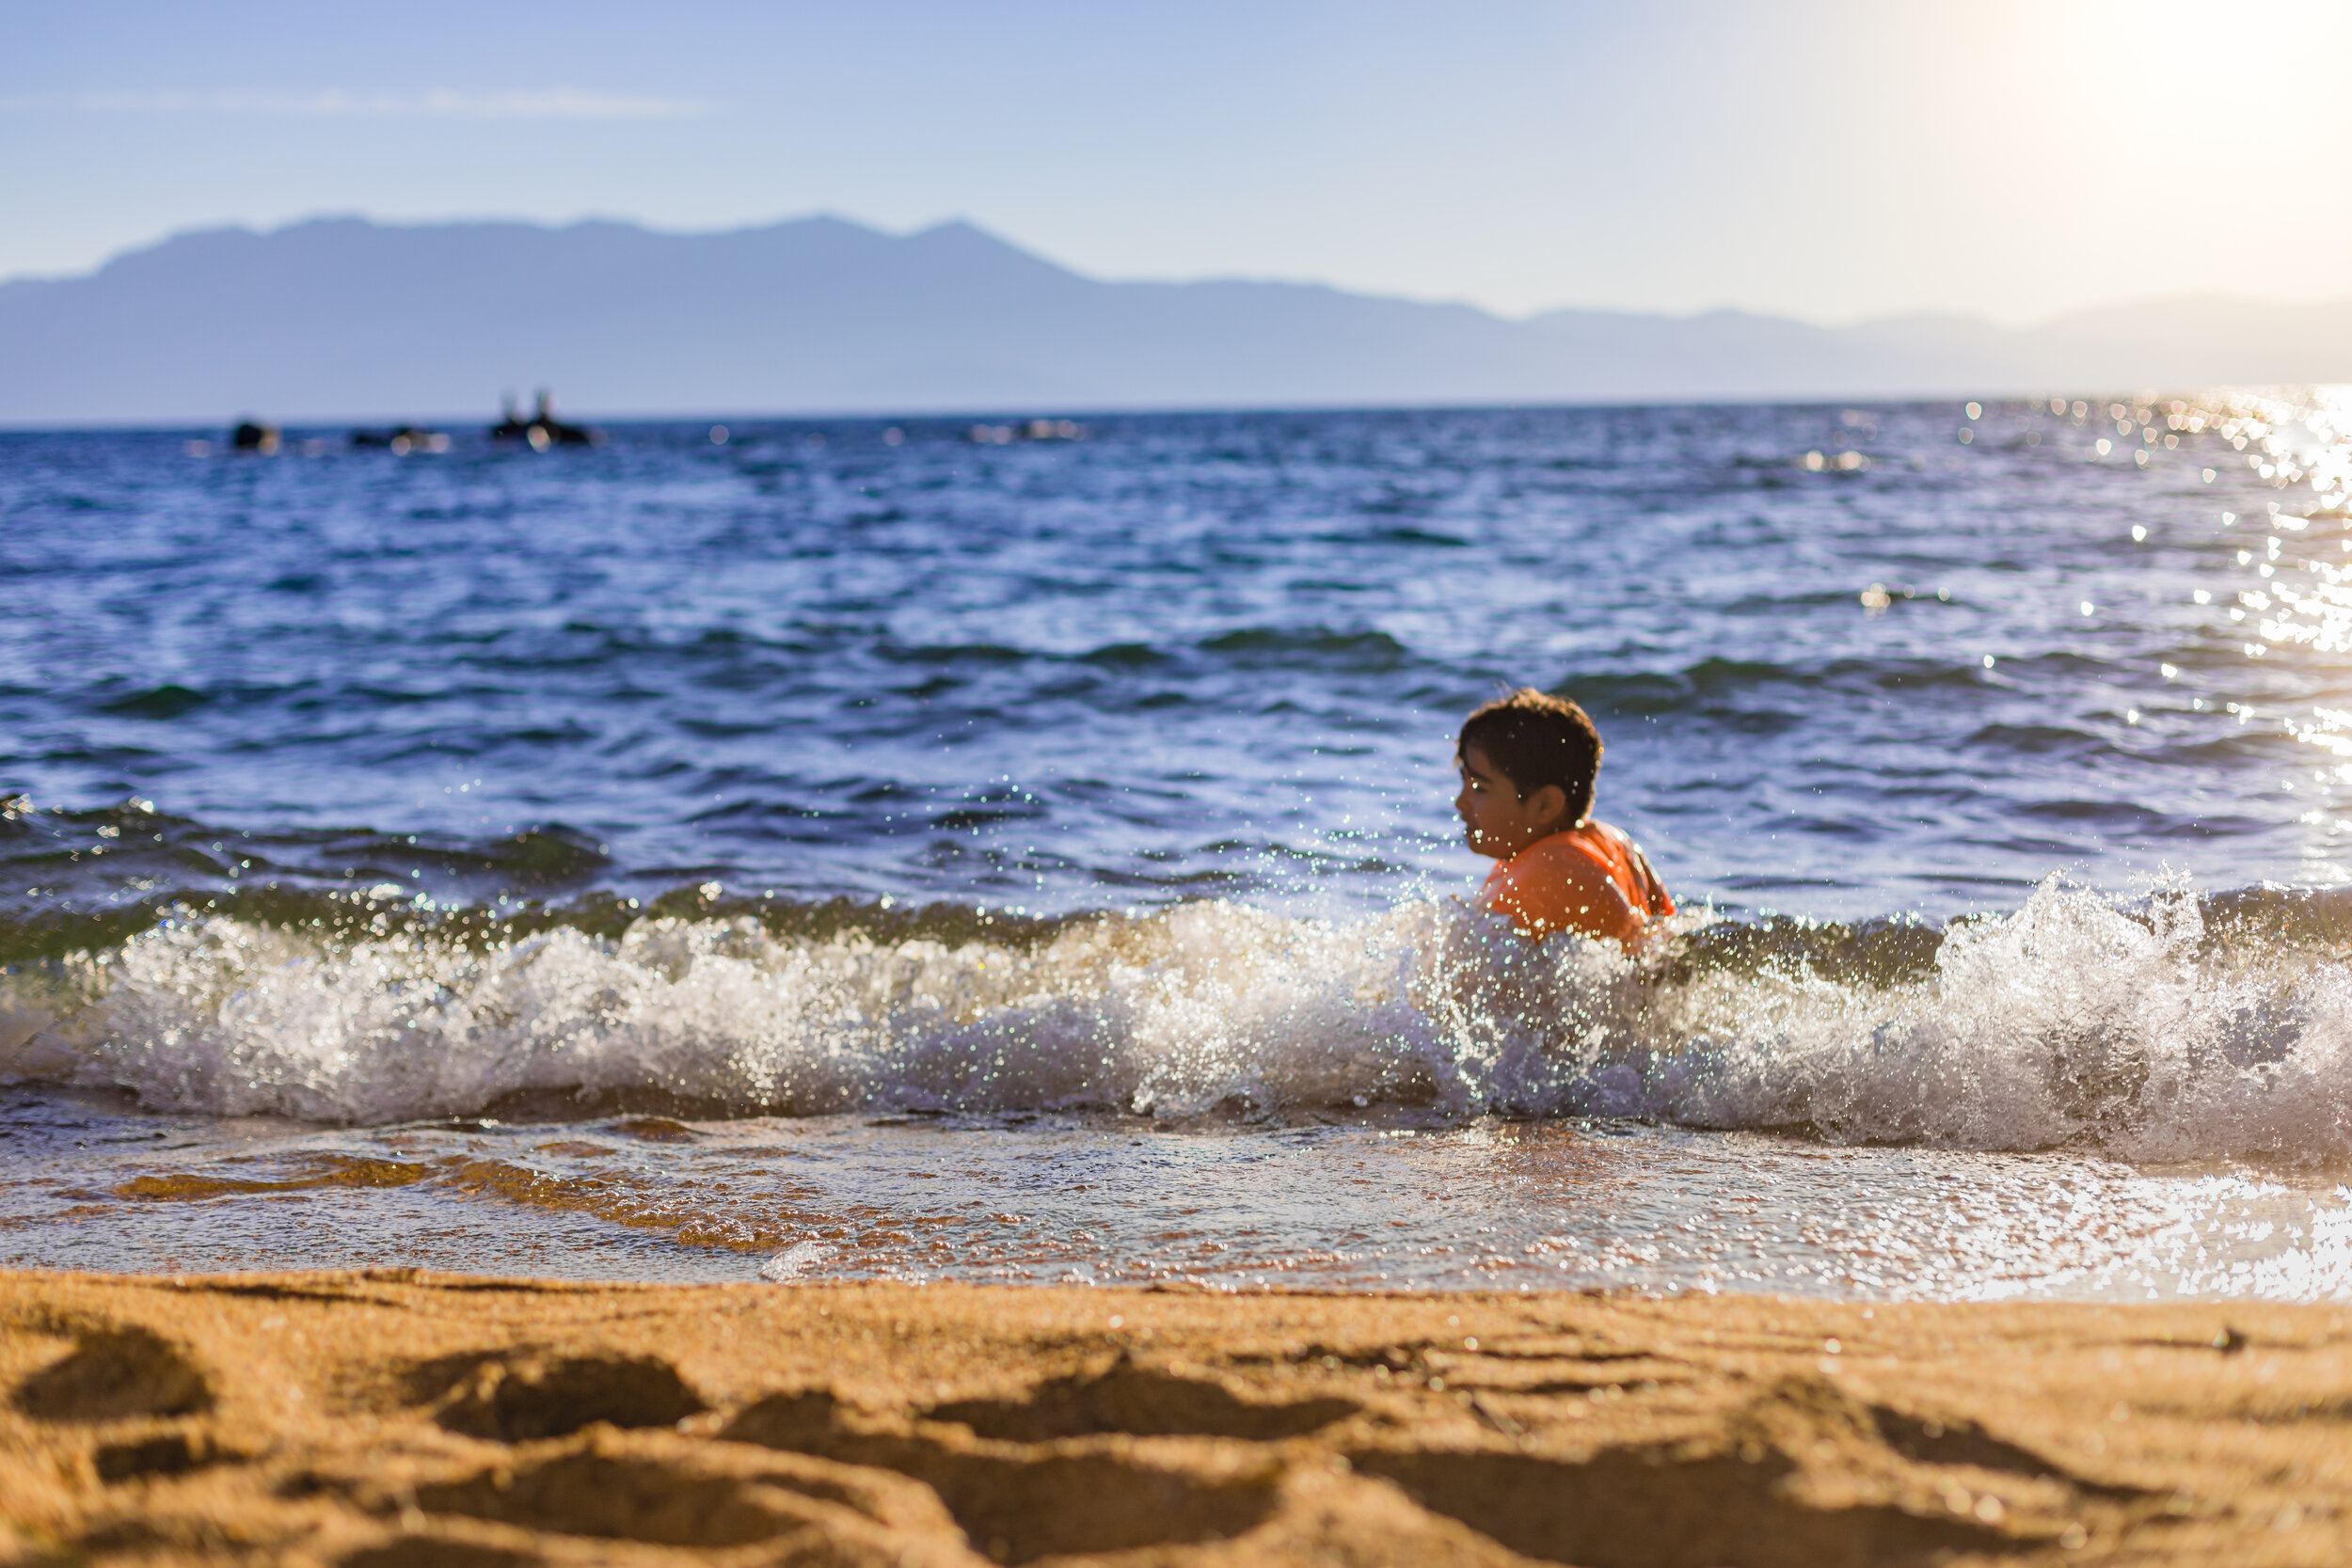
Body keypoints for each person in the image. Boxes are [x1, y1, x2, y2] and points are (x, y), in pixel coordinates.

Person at [1454, 688, 1674, 946]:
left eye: (1480, 788)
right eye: (1464, 782)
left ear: (1546, 804)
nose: (1461, 802)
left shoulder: (1552, 871)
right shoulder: (1613, 844)